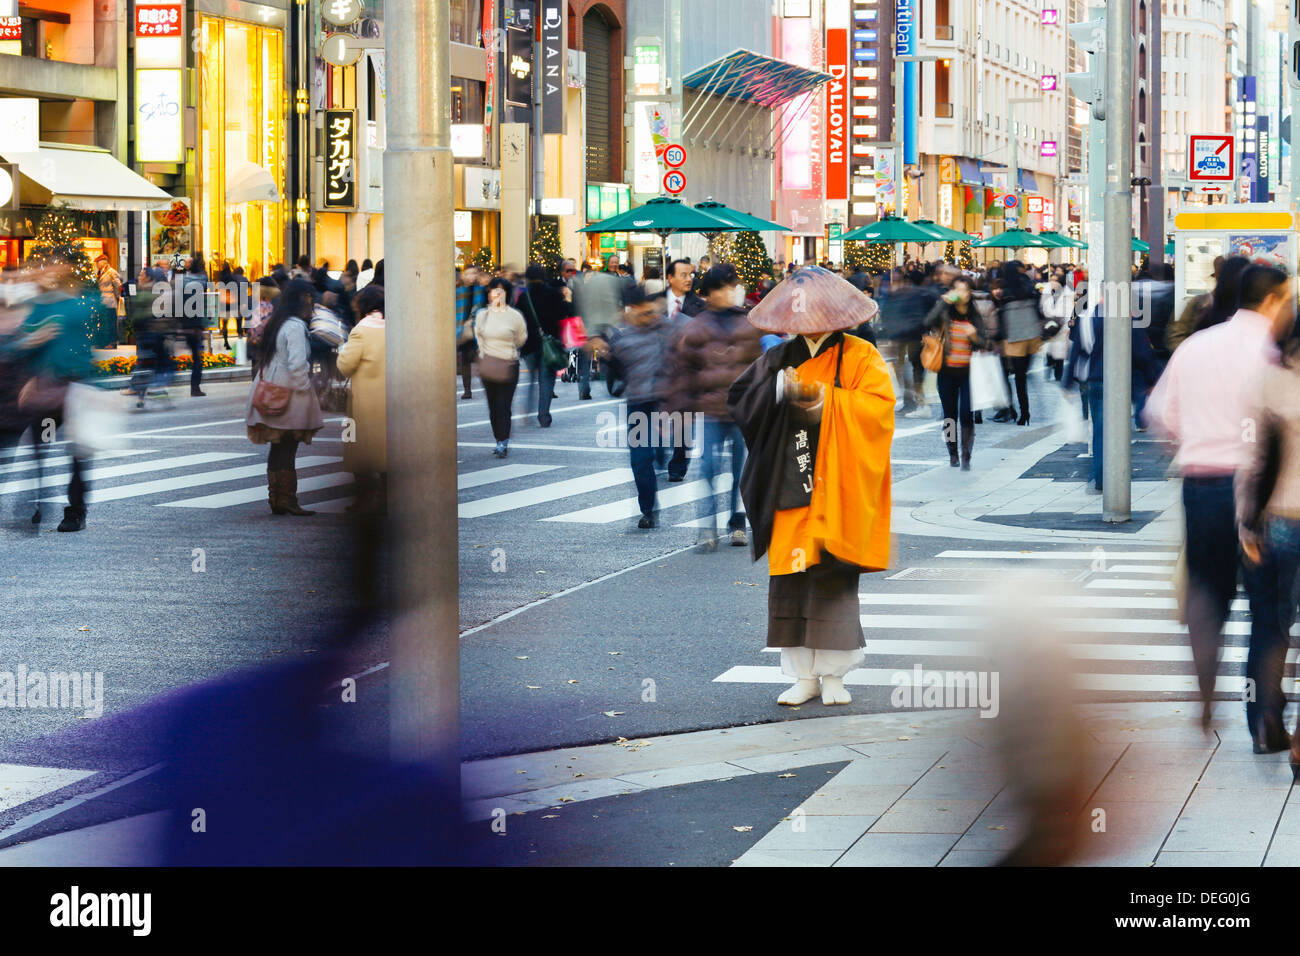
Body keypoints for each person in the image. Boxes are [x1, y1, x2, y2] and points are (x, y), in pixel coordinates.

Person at [728, 265, 894, 706]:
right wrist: (779, 389)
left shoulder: (861, 355)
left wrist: (824, 399)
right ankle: (802, 677)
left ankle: (836, 677)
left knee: (833, 577)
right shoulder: (779, 356)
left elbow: (879, 410)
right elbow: (742, 401)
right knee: (792, 578)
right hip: (790, 484)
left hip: (837, 484)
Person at [1146, 264, 1296, 748]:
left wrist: (1194, 442)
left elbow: (1160, 417)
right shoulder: (1276, 354)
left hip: (1203, 485)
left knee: (1207, 596)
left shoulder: (1197, 345)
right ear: (1272, 300)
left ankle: (1207, 696)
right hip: (1263, 491)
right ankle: (1264, 718)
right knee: (1267, 608)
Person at [1236, 312, 1300, 776]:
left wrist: (1245, 525)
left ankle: (1265, 726)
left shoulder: (1266, 381)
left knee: (1269, 627)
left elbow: (1251, 459)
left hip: (1276, 519)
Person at [661, 263, 762, 551]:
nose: (729, 293)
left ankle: (738, 522)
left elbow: (759, 368)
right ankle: (707, 526)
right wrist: (672, 410)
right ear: (712, 293)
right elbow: (682, 372)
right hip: (709, 411)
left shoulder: (748, 324)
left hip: (741, 411)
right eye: (724, 288)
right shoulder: (697, 328)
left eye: (732, 287)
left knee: (740, 471)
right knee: (707, 468)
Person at [592, 288, 675, 528]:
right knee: (640, 459)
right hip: (637, 401)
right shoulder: (618, 333)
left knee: (656, 450)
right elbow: (616, 370)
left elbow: (680, 357)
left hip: (663, 401)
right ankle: (648, 510)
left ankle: (661, 451)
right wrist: (605, 354)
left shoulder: (664, 327)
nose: (633, 313)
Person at [245, 278, 324, 516]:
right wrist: (305, 391)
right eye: (311, 300)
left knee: (277, 447)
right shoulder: (295, 327)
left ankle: (277, 498)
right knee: (288, 446)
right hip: (288, 392)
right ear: (303, 300)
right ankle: (288, 499)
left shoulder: (277, 322)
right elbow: (297, 363)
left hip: (269, 387)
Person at [924, 277, 987, 470]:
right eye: (958, 290)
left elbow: (983, 342)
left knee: (966, 414)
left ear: (970, 294)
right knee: (949, 416)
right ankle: (952, 453)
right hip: (946, 372)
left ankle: (966, 455)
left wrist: (974, 335)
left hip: (968, 372)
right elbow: (927, 322)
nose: (962, 294)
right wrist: (943, 302)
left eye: (966, 291)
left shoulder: (974, 316)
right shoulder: (944, 312)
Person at [335, 284, 386, 515]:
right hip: (391, 401)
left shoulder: (361, 330)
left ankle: (364, 500)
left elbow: (345, 366)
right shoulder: (395, 327)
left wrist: (342, 350)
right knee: (388, 452)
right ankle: (387, 499)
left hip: (364, 404)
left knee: (358, 452)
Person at [474, 276, 528, 458]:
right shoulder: (483, 315)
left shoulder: (514, 316)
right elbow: (479, 337)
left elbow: (521, 338)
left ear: (507, 293)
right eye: (493, 290)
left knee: (503, 405)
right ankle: (498, 438)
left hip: (509, 364)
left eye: (501, 290)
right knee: (492, 405)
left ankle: (503, 441)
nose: (496, 294)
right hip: (489, 363)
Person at [519, 264, 568, 427]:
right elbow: (563, 316)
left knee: (532, 379)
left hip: (529, 345)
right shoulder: (553, 293)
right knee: (546, 380)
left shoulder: (524, 296)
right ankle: (544, 415)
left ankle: (527, 411)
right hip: (550, 344)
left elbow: (519, 320)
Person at [179, 254, 210, 396]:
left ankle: (194, 387)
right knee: (197, 358)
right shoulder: (202, 280)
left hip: (186, 323)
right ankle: (195, 387)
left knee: (195, 355)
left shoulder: (183, 280)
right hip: (196, 324)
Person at [455, 266, 485, 399]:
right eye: (468, 273)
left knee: (481, 359)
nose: (471, 276)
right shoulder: (457, 291)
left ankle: (488, 386)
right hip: (462, 330)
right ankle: (467, 389)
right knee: (465, 361)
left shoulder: (482, 290)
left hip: (479, 329)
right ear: (463, 276)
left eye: (473, 273)